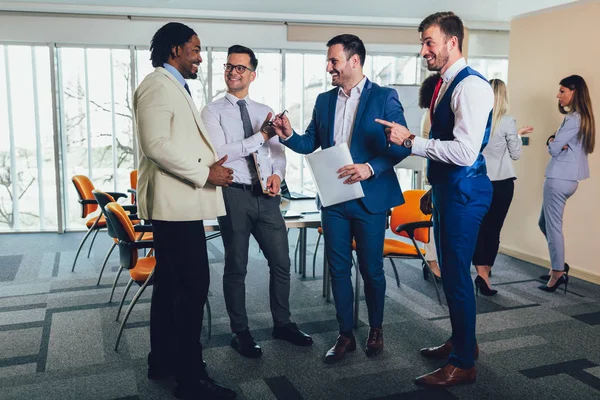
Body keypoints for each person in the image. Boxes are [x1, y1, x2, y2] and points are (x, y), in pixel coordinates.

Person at [271, 34, 410, 363]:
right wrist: (288, 134)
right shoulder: (323, 101)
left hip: (370, 200)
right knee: (337, 270)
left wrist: (369, 168)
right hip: (334, 200)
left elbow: (402, 145)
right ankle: (345, 333)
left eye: (334, 60)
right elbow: (309, 143)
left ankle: (376, 328)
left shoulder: (385, 97)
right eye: (329, 61)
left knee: (371, 270)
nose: (329, 67)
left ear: (355, 61)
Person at [377, 12, 494, 387]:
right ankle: (464, 342)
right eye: (423, 42)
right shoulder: (445, 83)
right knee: (450, 273)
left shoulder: (471, 86)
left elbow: (463, 152)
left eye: (429, 41)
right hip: (448, 190)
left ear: (452, 42)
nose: (423, 49)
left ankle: (463, 363)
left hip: (465, 192)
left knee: (457, 278)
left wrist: (411, 141)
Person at [134, 22, 236, 400]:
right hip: (174, 208)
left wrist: (208, 160)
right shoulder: (158, 85)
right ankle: (191, 380)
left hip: (178, 206)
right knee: (192, 290)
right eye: (195, 49)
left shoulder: (173, 85)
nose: (200, 56)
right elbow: (155, 144)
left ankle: (161, 360)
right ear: (175, 50)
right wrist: (205, 171)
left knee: (169, 287)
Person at [200, 45, 312, 359]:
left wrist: (278, 174)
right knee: (236, 267)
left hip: (267, 196)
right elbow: (221, 153)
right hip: (233, 194)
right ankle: (240, 332)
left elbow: (277, 152)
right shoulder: (212, 111)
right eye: (229, 66)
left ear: (252, 74)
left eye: (240, 68)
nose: (233, 72)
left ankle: (283, 323)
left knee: (281, 263)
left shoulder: (264, 109)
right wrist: (260, 137)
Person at [473, 79, 534, 296]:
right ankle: (485, 274)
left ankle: (481, 272)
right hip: (502, 183)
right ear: (504, 97)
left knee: (479, 227)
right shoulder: (508, 122)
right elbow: (515, 154)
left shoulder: (477, 120)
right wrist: (517, 136)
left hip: (478, 180)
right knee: (493, 229)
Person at [538, 75, 595, 293]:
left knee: (552, 228)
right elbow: (557, 144)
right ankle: (558, 263)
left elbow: (554, 147)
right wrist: (555, 141)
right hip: (569, 179)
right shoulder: (582, 117)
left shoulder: (573, 119)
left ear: (574, 92)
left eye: (562, 91)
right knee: (544, 224)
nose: (558, 95)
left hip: (559, 179)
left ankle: (558, 273)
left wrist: (552, 141)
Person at [418, 73, 442, 280]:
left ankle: (433, 262)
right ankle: (433, 263)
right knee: (435, 223)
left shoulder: (430, 113)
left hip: (437, 174)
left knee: (436, 222)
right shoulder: (432, 115)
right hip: (438, 175)